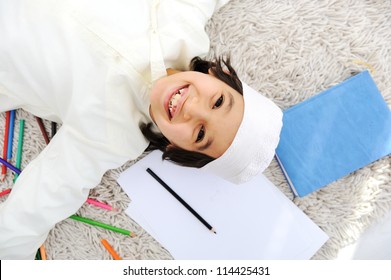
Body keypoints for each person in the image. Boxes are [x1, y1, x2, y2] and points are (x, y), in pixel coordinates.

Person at [0, 0, 282, 259]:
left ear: (175, 149)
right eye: (218, 101)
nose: (193, 108)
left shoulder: (112, 138)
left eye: (199, 134)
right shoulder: (183, 25)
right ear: (219, 76)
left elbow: (41, 200)